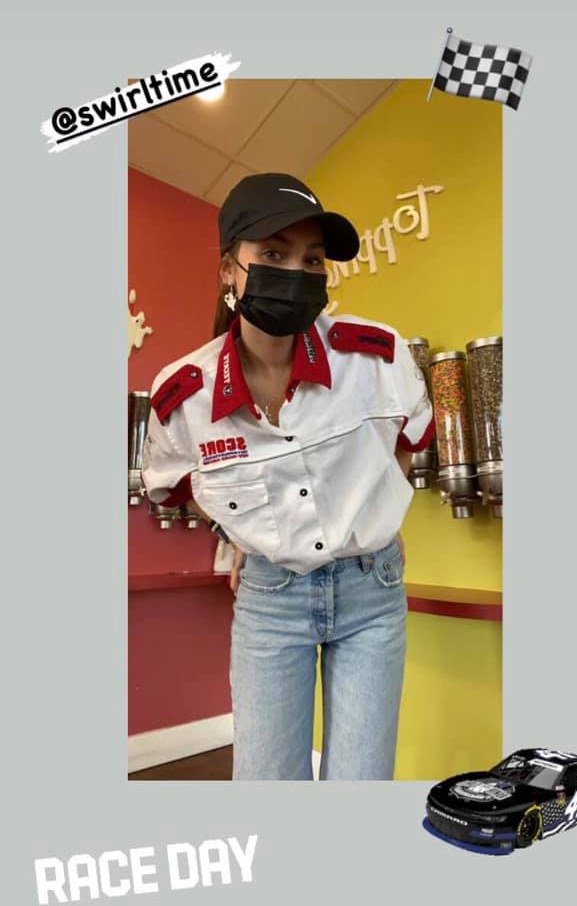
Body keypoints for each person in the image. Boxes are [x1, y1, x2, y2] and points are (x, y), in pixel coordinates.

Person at [141, 172, 434, 781]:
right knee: (267, 785)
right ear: (228, 269)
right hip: (270, 602)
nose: (295, 273)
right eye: (273, 255)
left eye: (312, 259)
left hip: (372, 594)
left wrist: (375, 514)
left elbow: (408, 441)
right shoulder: (184, 396)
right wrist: (242, 535)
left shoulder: (376, 357)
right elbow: (179, 487)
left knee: (360, 786)